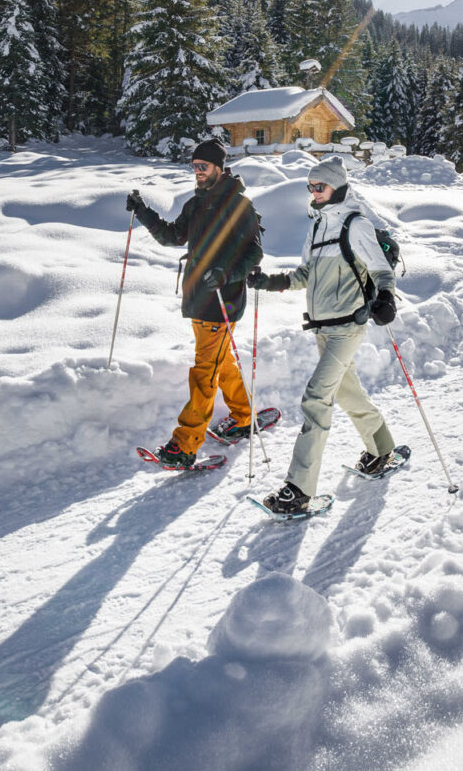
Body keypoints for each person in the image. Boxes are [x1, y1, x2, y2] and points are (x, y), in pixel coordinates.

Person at [247, 156, 400, 514]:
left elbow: (380, 270)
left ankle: (298, 490)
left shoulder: (355, 224)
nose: (314, 193)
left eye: (321, 186)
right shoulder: (316, 228)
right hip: (322, 329)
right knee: (347, 392)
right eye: (310, 187)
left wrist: (387, 298)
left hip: (348, 326)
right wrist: (270, 281)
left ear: (338, 187)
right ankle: (382, 448)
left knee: (317, 399)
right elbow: (305, 274)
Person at [126, 138, 263, 469]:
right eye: (194, 167)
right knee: (219, 363)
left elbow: (254, 252)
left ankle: (185, 445)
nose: (198, 173)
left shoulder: (239, 205)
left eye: (203, 167)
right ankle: (244, 417)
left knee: (205, 373)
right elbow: (173, 236)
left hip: (222, 301)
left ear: (219, 167)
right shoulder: (196, 204)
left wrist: (225, 273)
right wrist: (142, 212)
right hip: (198, 301)